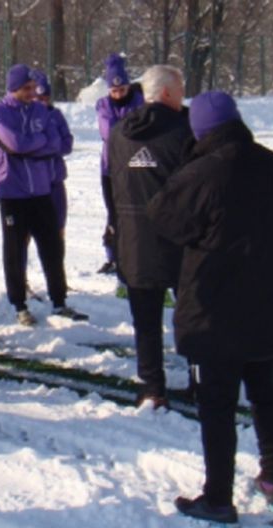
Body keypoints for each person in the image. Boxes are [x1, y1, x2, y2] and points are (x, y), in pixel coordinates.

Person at [147, 91, 273, 527]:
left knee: (217, 401)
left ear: (199, 130)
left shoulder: (202, 172)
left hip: (216, 305)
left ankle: (218, 497)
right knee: (266, 389)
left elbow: (163, 219)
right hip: (270, 300)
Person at [105, 64, 189, 408]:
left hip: (134, 237)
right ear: (167, 93)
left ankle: (152, 387)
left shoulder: (119, 132)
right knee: (192, 314)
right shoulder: (186, 130)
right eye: (181, 89)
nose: (184, 96)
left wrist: (117, 226)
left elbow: (109, 183)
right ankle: (200, 379)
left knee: (146, 322)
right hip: (180, 237)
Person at [0, 64, 87, 326]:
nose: (33, 93)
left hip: (42, 190)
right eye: (27, 88)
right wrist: (34, 144)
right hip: (13, 192)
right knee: (16, 250)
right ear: (14, 88)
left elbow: (55, 144)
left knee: (52, 247)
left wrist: (28, 148)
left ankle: (59, 300)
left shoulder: (42, 111)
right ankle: (19, 304)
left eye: (34, 88)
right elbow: (14, 144)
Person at [96, 53, 144, 275]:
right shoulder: (104, 105)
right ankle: (113, 255)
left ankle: (134, 254)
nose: (118, 95)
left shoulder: (139, 102)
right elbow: (110, 132)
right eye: (114, 91)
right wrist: (129, 128)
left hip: (135, 167)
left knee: (135, 213)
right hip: (111, 169)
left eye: (122, 90)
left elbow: (143, 128)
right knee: (114, 213)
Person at [32, 70, 73, 235]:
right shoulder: (29, 118)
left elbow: (67, 143)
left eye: (46, 99)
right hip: (35, 181)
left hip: (55, 178)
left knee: (58, 224)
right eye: (38, 99)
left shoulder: (55, 115)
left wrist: (50, 147)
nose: (43, 103)